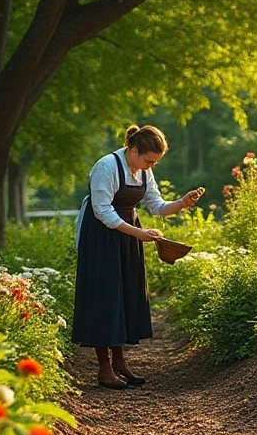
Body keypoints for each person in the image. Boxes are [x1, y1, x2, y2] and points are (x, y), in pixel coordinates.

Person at [72, 125, 204, 389]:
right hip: (101, 236)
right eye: (148, 160)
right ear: (133, 150)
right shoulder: (106, 167)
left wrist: (181, 203)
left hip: (128, 233)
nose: (150, 166)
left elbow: (157, 206)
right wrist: (138, 233)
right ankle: (104, 368)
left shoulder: (143, 169)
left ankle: (120, 362)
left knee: (124, 294)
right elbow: (102, 212)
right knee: (105, 295)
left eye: (154, 162)